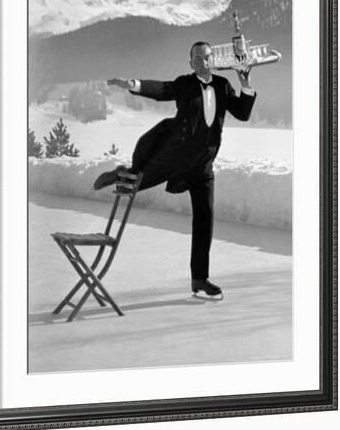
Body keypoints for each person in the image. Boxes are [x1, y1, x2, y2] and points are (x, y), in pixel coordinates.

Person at [93, 41, 256, 298]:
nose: (202, 62)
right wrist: (134, 84)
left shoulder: (224, 86)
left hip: (203, 164)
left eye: (206, 57)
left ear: (213, 59)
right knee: (138, 181)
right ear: (190, 63)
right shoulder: (185, 83)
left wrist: (245, 82)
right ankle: (121, 172)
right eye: (197, 59)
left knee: (205, 219)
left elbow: (243, 113)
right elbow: (161, 89)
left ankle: (199, 279)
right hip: (175, 155)